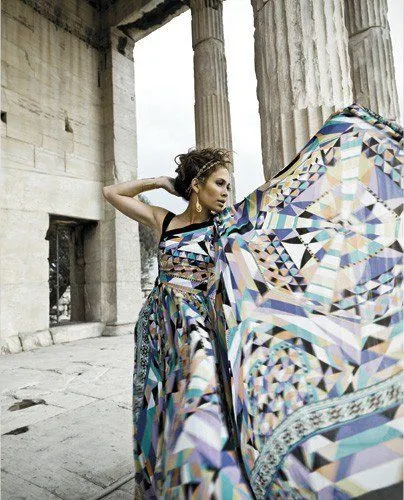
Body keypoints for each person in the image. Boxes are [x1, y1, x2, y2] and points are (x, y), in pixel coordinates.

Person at [103, 103, 403, 499]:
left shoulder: (227, 229)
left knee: (197, 403)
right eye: (221, 183)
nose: (227, 192)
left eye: (229, 185)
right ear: (197, 185)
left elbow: (275, 230)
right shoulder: (165, 221)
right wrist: (160, 182)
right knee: (156, 406)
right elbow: (111, 192)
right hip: (158, 326)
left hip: (199, 329)